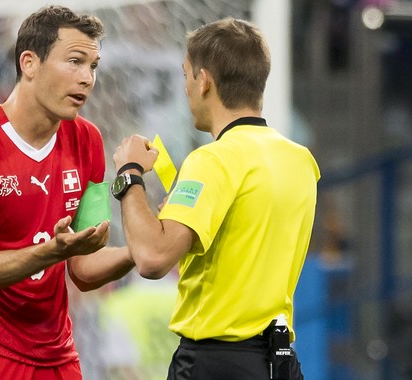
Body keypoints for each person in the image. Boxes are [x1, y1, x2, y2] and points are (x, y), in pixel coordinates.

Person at [0, 6, 134, 380]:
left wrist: (143, 248)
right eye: (74, 61)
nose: (87, 78)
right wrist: (51, 252)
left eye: (93, 66)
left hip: (57, 356)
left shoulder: (87, 140)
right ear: (29, 63)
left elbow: (85, 267)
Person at [111, 17, 320, 380]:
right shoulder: (302, 160)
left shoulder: (213, 160)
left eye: (186, 75)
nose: (186, 88)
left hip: (215, 362)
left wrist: (129, 174)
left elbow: (152, 258)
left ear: (204, 80)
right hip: (279, 362)